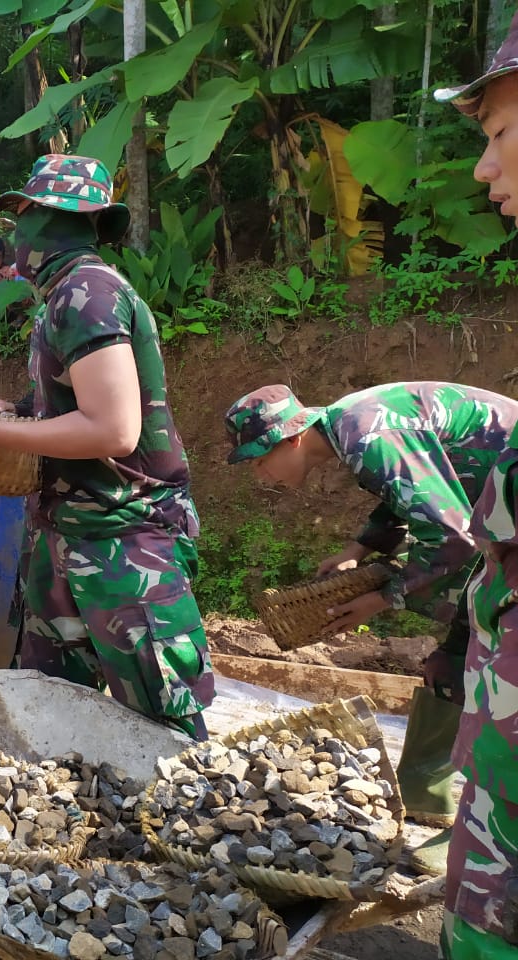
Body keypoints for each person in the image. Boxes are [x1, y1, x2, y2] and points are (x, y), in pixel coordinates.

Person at [0, 154, 212, 739]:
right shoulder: (64, 296)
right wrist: (19, 412)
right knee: (52, 714)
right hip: (69, 533)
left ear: (53, 219)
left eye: (24, 219)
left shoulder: (89, 293)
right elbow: (72, 406)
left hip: (122, 544)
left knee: (166, 735)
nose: (17, 236)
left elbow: (114, 430)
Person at [223, 381, 518, 876]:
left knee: (498, 668)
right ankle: (433, 796)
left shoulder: (364, 433)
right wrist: (359, 550)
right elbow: (409, 491)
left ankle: (491, 833)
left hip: (503, 518)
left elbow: (452, 539)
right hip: (496, 517)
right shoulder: (349, 428)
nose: (260, 473)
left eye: (259, 459)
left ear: (292, 437)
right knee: (451, 659)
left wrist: (382, 598)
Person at [433, 17, 518, 957]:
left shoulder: (361, 433)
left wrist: (387, 583)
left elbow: (444, 526)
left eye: (497, 134)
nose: (481, 169)